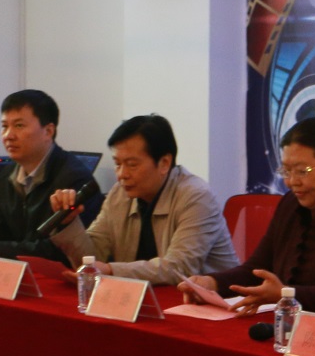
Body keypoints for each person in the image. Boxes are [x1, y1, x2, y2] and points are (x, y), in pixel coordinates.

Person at [183, 117, 315, 322]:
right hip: (301, 325)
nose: (291, 182)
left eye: (302, 171)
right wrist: (211, 283)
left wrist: (285, 294)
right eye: (286, 171)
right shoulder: (290, 204)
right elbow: (256, 269)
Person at [48, 113, 236, 285]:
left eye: (131, 165)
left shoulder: (196, 196)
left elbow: (179, 268)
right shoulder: (119, 194)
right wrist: (69, 224)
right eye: (117, 164)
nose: (121, 174)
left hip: (213, 303)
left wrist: (111, 270)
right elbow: (94, 259)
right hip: (146, 299)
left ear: (164, 163)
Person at [0, 89, 94, 263]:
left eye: (19, 126)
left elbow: (58, 251)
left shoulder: (74, 178)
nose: (8, 135)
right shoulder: (6, 174)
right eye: (4, 126)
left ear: (48, 131)